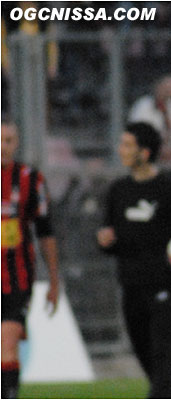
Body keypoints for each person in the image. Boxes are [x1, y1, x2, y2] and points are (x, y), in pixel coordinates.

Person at [96, 122, 171, 398]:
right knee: (151, 368)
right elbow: (109, 236)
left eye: (127, 145)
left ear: (145, 151)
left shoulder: (169, 191)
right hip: (131, 289)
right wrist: (104, 241)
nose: (121, 150)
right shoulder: (118, 191)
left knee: (163, 369)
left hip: (164, 289)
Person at [1, 120, 60, 399]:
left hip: (17, 279)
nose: (3, 147)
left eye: (9, 140)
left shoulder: (30, 179)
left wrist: (54, 280)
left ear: (17, 143)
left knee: (7, 345)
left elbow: (45, 232)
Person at [128, 75, 171, 167]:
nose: (169, 92)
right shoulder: (143, 106)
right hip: (148, 161)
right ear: (158, 87)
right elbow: (138, 137)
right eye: (166, 88)